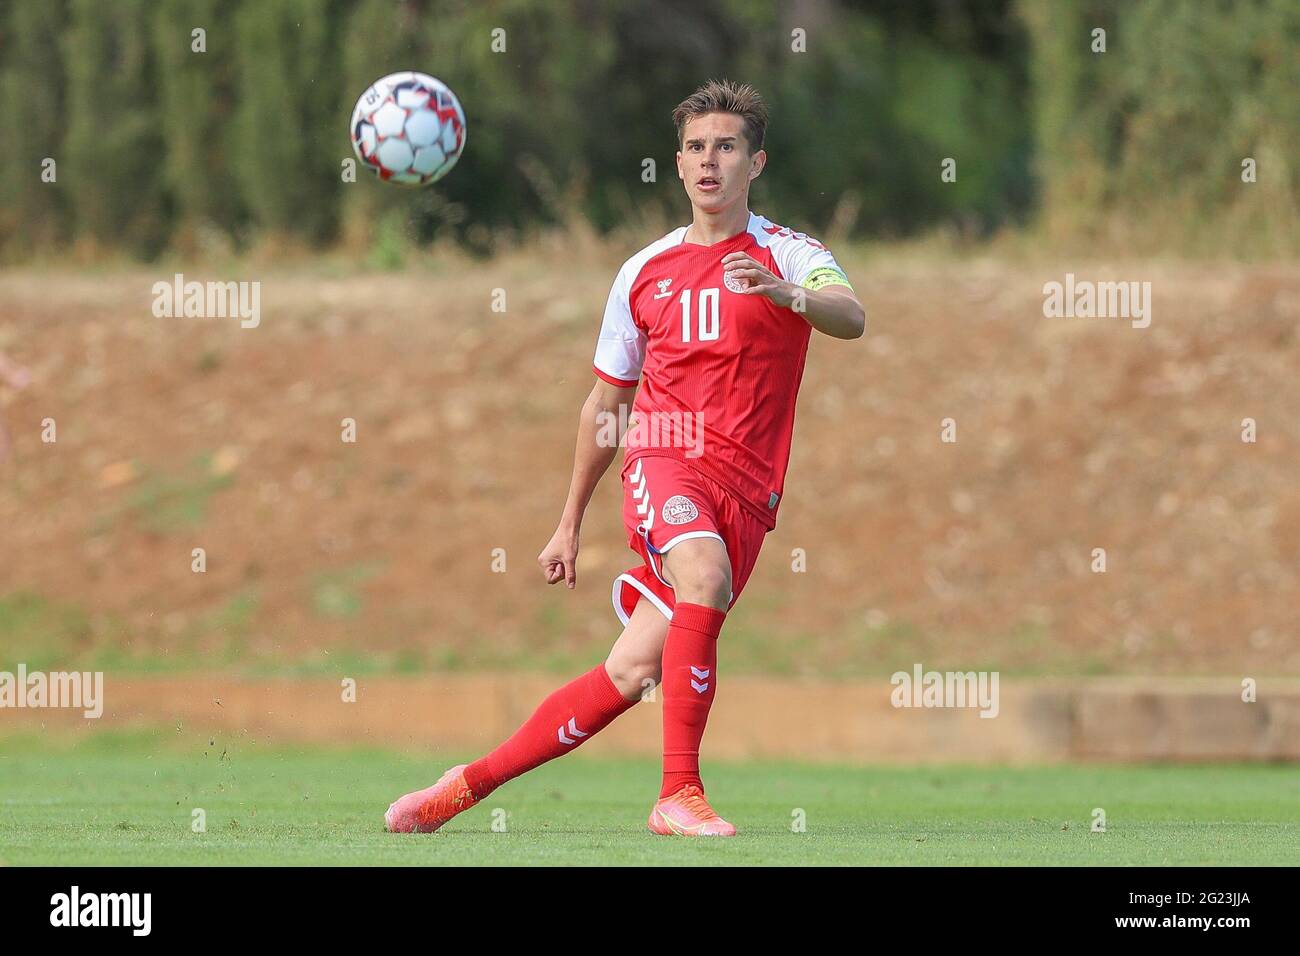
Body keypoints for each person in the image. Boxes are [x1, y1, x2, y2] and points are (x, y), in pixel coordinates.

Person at [386, 78, 865, 837]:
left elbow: (852, 315)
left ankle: (462, 788)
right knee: (701, 571)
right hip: (663, 459)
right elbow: (606, 405)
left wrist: (785, 294)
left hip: (747, 492)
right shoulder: (644, 272)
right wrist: (567, 520)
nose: (710, 162)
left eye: (727, 147)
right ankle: (679, 792)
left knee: (632, 672)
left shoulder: (792, 255)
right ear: (678, 165)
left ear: (756, 162)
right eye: (697, 148)